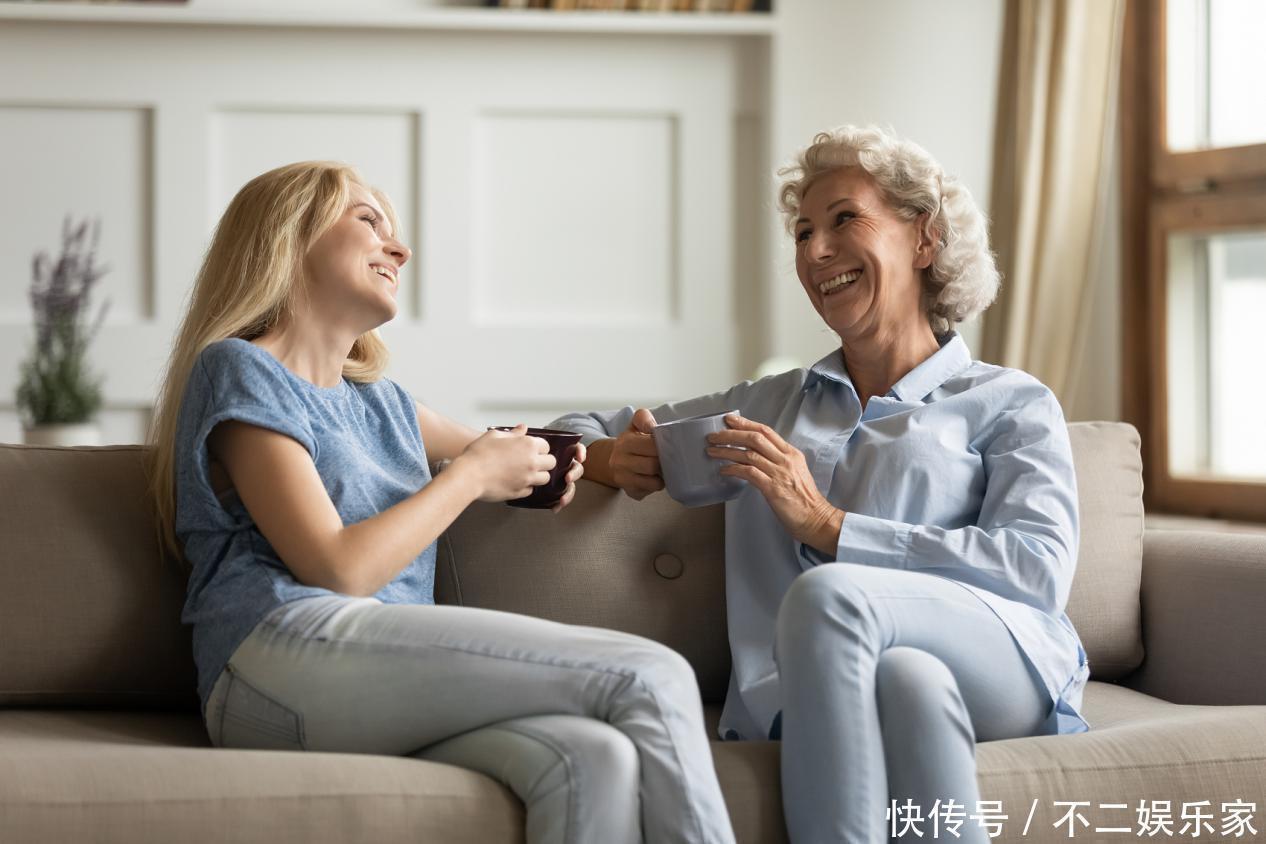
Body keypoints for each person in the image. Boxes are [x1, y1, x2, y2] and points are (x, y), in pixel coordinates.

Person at [146, 161, 736, 844]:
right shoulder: (239, 368)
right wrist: (469, 477)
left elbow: (511, 449)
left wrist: (608, 458)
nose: (399, 249)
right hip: (275, 658)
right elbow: (336, 567)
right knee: (652, 676)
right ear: (289, 236)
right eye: (368, 221)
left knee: (590, 757)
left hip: (366, 676)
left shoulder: (383, 403)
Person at [551, 125, 1090, 843]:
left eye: (843, 220)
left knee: (830, 596)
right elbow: (570, 428)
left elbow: (1037, 569)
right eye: (803, 233)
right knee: (910, 684)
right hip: (819, 687)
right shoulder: (766, 407)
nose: (814, 251)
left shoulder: (1010, 401)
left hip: (1005, 658)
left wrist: (829, 526)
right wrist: (608, 456)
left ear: (924, 239)